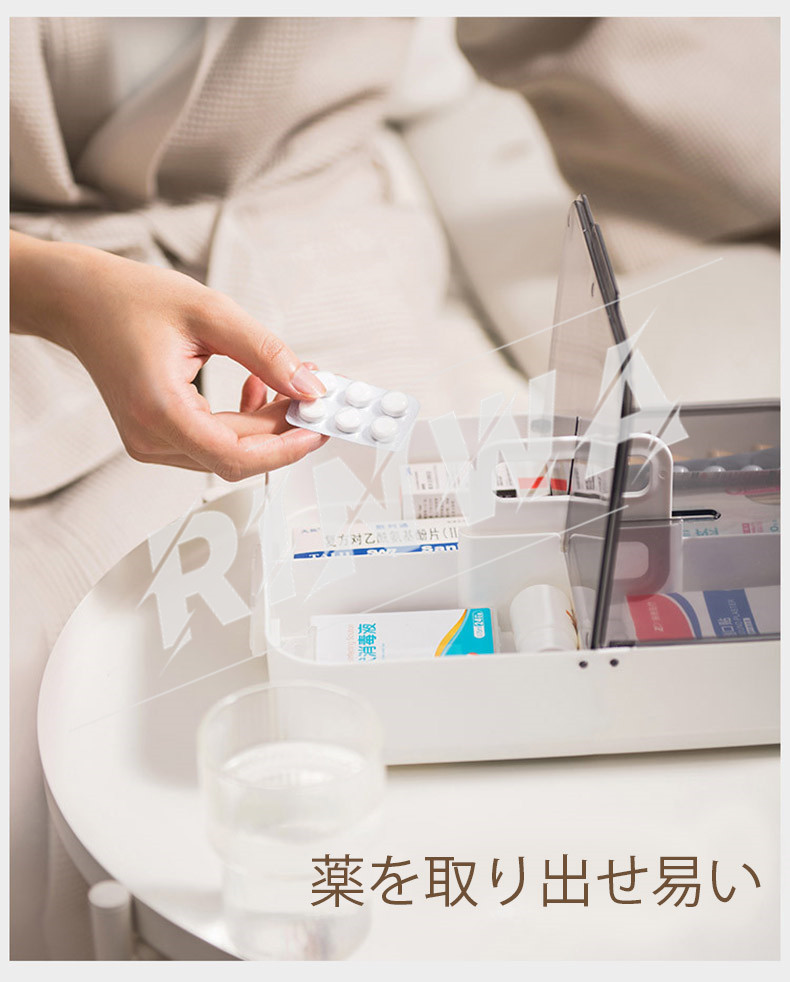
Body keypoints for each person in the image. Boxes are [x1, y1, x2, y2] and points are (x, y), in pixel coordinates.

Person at [9, 16, 779, 959]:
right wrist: (52, 291)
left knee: (492, 807)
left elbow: (586, 23)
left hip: (316, 271)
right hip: (31, 333)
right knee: (59, 767)